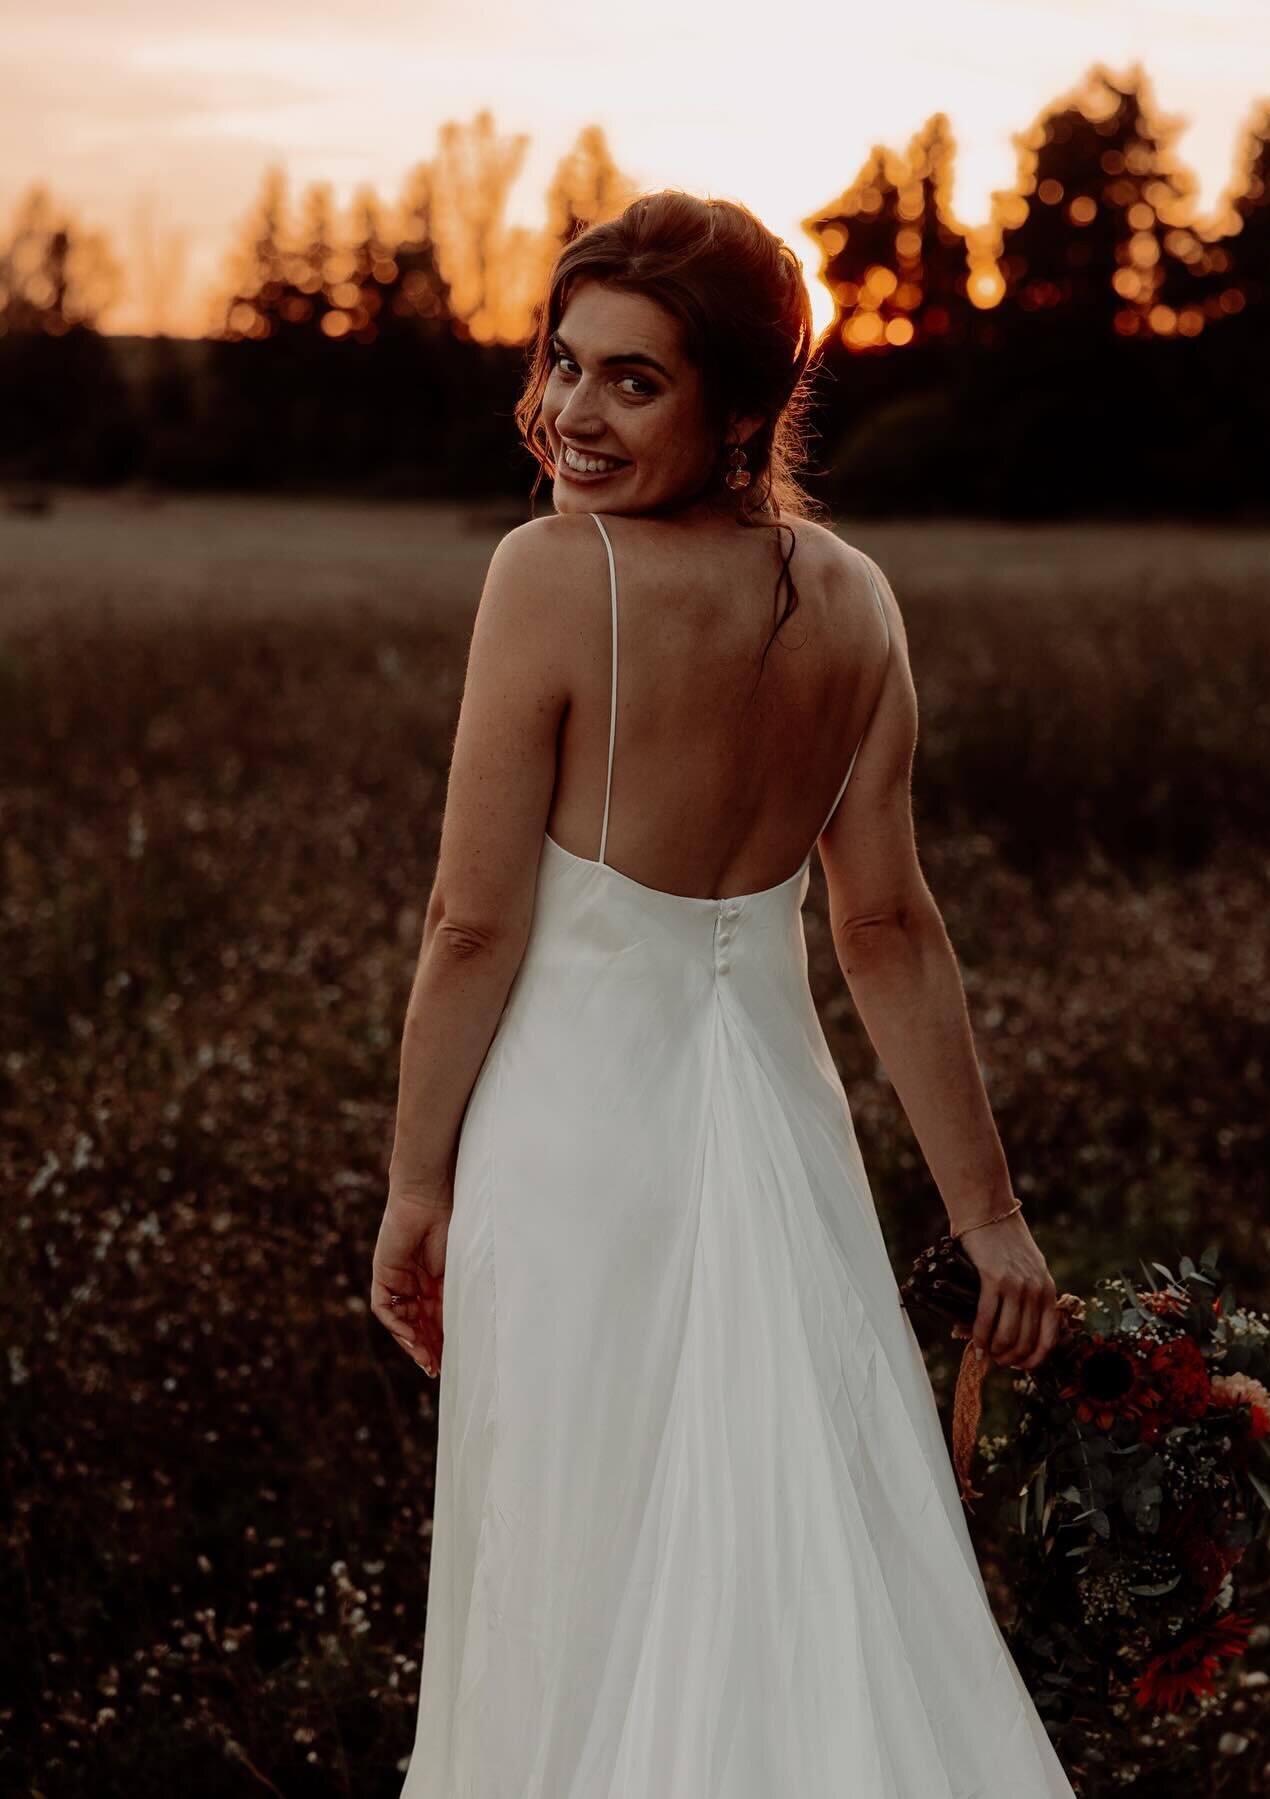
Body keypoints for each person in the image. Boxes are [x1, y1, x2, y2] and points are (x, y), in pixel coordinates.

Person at [373, 189, 1075, 1796]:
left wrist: (418, 1187)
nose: (570, 413)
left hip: (570, 1157)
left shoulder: (552, 574)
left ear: (746, 406)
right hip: (782, 1150)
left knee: (576, 1582)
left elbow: (471, 929)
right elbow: (885, 928)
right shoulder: (856, 600)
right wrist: (990, 1222)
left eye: (635, 381)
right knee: (789, 1571)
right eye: (564, 363)